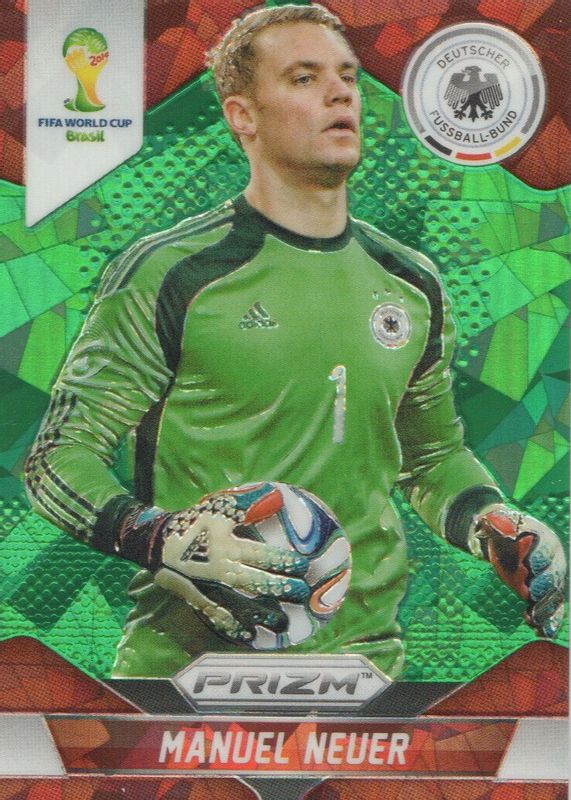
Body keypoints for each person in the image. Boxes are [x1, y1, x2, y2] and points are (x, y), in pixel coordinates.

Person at [25, 4, 565, 678]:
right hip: (185, 678)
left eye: (347, 76)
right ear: (241, 116)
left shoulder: (411, 284)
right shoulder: (171, 273)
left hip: (365, 675)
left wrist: (492, 522)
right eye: (305, 78)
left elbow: (430, 458)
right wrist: (158, 536)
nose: (341, 94)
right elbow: (57, 458)